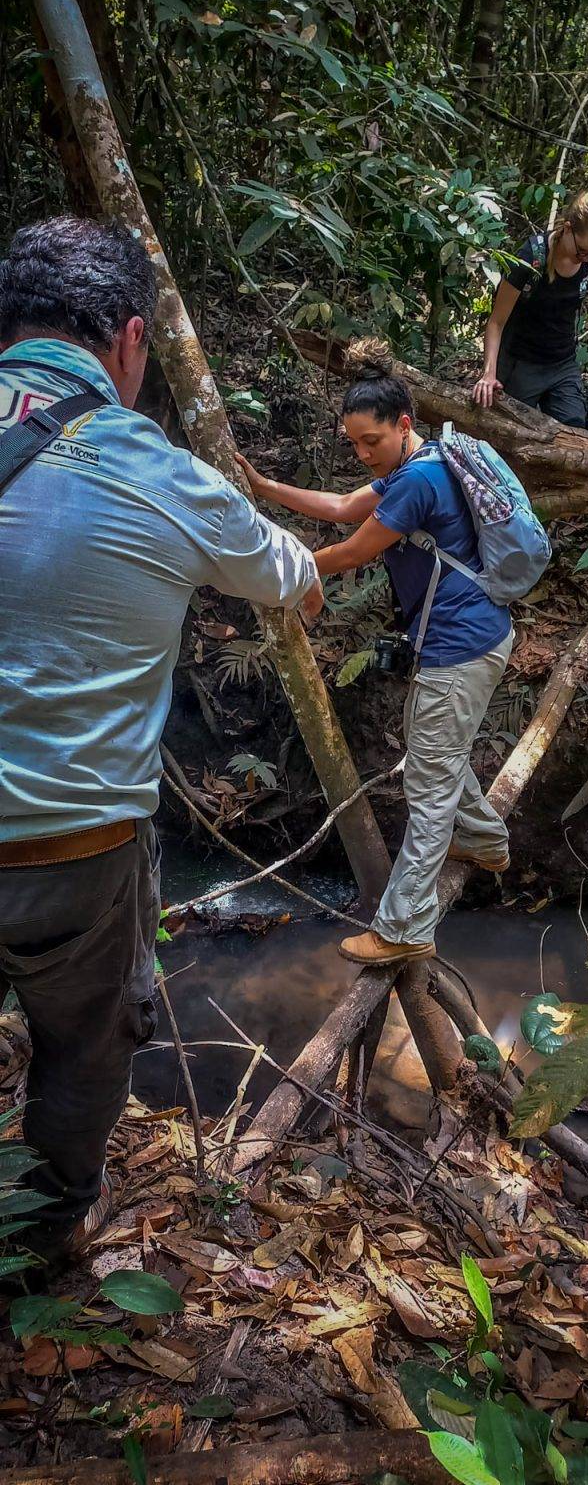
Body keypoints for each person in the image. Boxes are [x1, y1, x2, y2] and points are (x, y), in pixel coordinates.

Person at [0, 217, 322, 1263]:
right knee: (83, 1045)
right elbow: (290, 575)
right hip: (69, 852)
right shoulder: (157, 468)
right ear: (134, 338)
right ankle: (45, 1237)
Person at [240, 340, 514, 967]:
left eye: (371, 441)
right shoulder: (420, 464)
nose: (363, 453)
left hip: (461, 647)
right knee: (434, 754)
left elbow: (353, 551)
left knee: (429, 784)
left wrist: (279, 569)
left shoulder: (418, 480)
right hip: (470, 641)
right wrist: (263, 486)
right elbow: (341, 508)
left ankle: (405, 927)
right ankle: (484, 840)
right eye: (354, 444)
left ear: (403, 424)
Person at [472, 188, 588, 427]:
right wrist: (489, 373)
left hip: (562, 364)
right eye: (582, 252)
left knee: (574, 427)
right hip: (520, 362)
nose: (587, 259)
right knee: (515, 431)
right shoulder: (531, 256)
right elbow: (496, 322)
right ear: (567, 228)